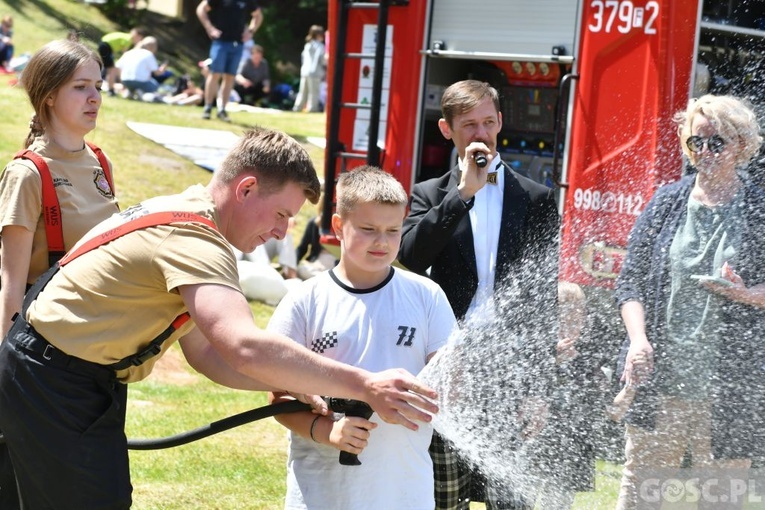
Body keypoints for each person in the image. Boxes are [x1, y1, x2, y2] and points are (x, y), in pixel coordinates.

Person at [0, 127, 439, 509]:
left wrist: (303, 383)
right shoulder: (196, 239)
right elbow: (242, 346)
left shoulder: (190, 215)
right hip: (52, 378)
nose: (283, 233)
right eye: (282, 214)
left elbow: (208, 353)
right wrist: (363, 383)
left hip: (58, 375)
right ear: (246, 189)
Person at [398, 79, 560, 510]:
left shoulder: (537, 198)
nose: (481, 133)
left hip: (510, 367)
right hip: (447, 366)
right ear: (447, 130)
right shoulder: (429, 195)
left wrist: (539, 389)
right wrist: (463, 193)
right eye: (469, 125)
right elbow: (411, 257)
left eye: (489, 122)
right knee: (444, 495)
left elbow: (544, 301)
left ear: (501, 122)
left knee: (509, 499)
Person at [267, 165, 457, 510]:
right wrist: (327, 432)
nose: (382, 242)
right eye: (368, 229)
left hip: (404, 494)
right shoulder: (305, 301)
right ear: (339, 226)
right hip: (322, 494)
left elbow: (450, 383)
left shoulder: (426, 296)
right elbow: (277, 397)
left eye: (393, 230)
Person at [614, 94, 765, 510]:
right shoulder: (666, 202)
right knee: (642, 496)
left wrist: (748, 295)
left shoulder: (759, 208)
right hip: (660, 383)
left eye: (716, 143)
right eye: (696, 143)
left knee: (721, 502)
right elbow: (630, 283)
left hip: (729, 390)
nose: (704, 152)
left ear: (741, 145)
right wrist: (637, 339)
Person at [0, 38, 120, 508]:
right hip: (40, 354)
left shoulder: (101, 163)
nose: (95, 98)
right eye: (81, 87)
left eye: (99, 86)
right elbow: (9, 281)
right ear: (49, 94)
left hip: (95, 349)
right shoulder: (28, 174)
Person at [196, 0, 263, 122]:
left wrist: (251, 31)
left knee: (230, 77)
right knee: (215, 74)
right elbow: (201, 9)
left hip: (238, 44)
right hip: (221, 42)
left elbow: (258, 15)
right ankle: (208, 107)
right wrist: (209, 28)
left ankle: (222, 109)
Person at [98, 27, 147, 96]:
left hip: (104, 45)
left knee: (108, 68)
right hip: (106, 46)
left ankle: (104, 86)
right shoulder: (128, 39)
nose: (139, 41)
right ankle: (110, 90)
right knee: (112, 70)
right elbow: (125, 55)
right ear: (137, 35)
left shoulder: (126, 36)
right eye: (140, 38)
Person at [292, 25, 325, 113]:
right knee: (314, 93)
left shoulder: (307, 45)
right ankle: (312, 109)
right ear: (319, 35)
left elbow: (303, 57)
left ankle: (297, 108)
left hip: (305, 71)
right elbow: (322, 60)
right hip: (315, 72)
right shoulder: (320, 46)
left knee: (302, 92)